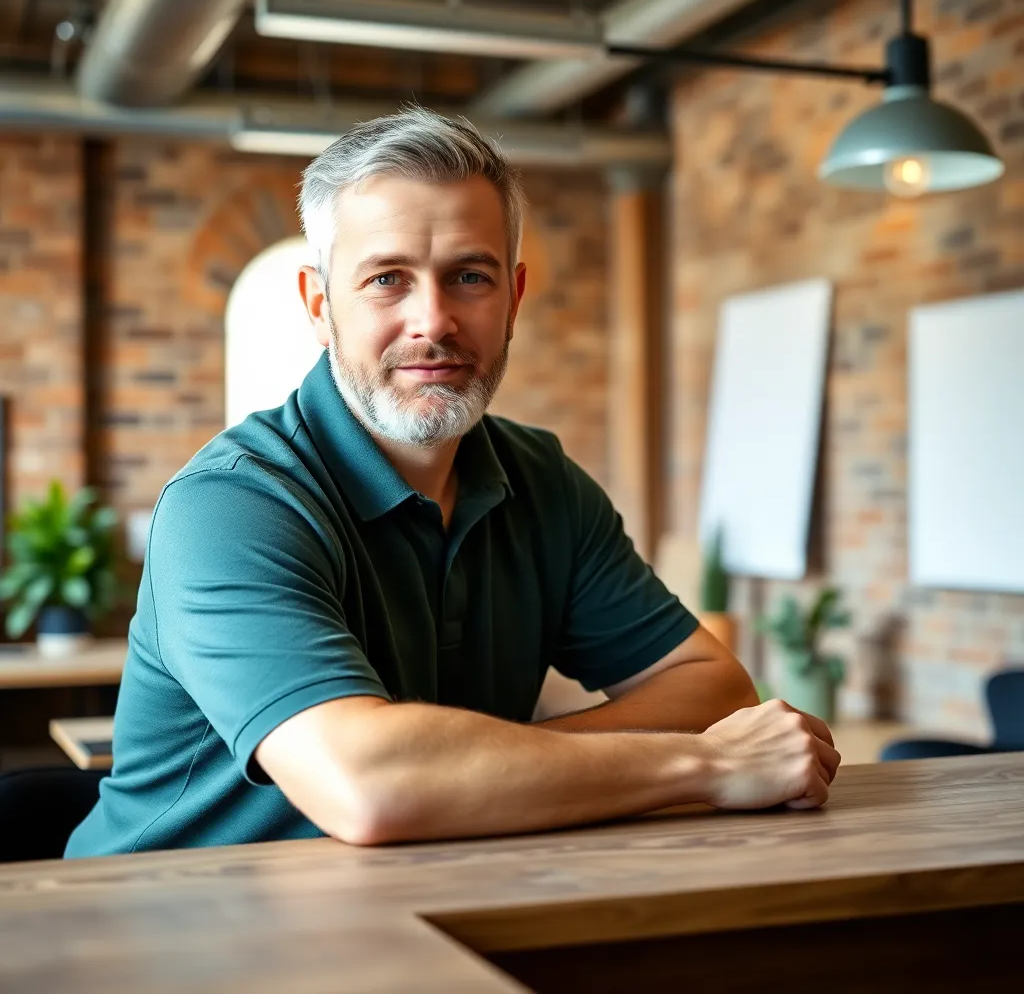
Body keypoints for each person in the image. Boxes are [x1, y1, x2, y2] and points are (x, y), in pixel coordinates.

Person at [66, 108, 839, 857]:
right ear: (318, 305)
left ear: (514, 299)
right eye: (387, 280)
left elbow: (712, 686)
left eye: (469, 276)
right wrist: (707, 764)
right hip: (166, 932)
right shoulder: (231, 506)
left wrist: (486, 770)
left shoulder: (544, 484)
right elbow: (370, 789)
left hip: (406, 901)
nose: (432, 321)